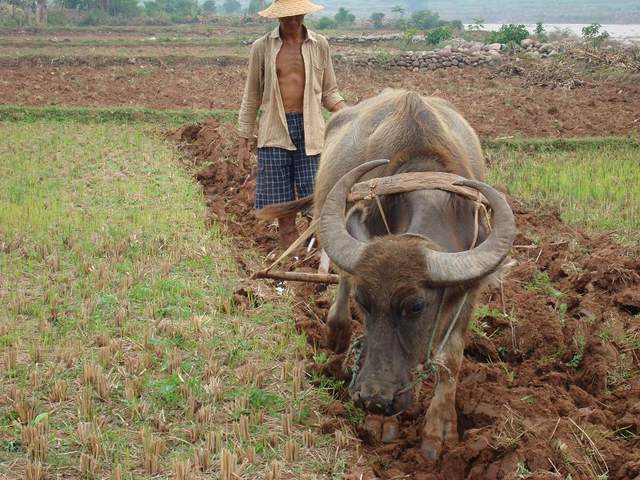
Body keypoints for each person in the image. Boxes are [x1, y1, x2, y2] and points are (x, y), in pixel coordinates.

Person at [237, 0, 345, 248]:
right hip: (274, 133)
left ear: (304, 13)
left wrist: (351, 116)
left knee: (316, 204)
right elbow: (251, 96)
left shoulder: (320, 45)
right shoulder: (261, 48)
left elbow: (329, 92)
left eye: (298, 16)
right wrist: (244, 142)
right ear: (277, 18)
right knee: (284, 211)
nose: (293, 22)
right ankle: (291, 264)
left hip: (312, 134)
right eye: (287, 18)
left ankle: (314, 260)